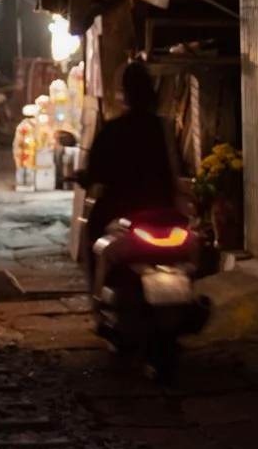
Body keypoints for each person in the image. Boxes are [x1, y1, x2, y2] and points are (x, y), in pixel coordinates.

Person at [74, 59, 179, 292]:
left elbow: (96, 172)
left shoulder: (112, 129)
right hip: (162, 211)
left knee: (93, 235)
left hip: (120, 210)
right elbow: (174, 168)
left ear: (125, 93)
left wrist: (83, 177)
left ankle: (97, 295)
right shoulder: (163, 127)